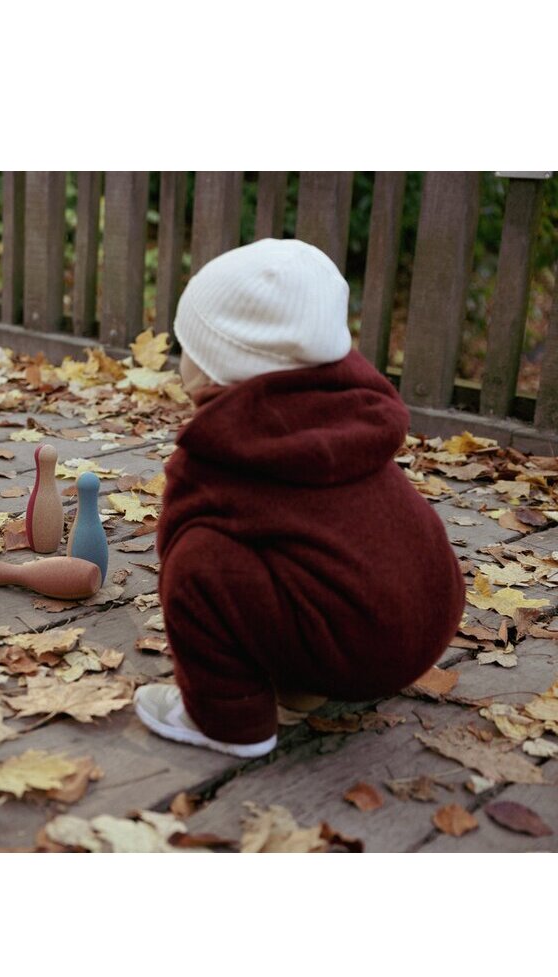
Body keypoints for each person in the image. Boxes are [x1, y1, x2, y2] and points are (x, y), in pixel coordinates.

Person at [134, 238, 466, 758]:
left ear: (221, 367)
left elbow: (176, 542)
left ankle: (226, 722)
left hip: (357, 644)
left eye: (188, 346)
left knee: (197, 562)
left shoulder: (224, 450)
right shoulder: (348, 414)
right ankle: (302, 686)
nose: (180, 359)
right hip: (424, 623)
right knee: (320, 545)